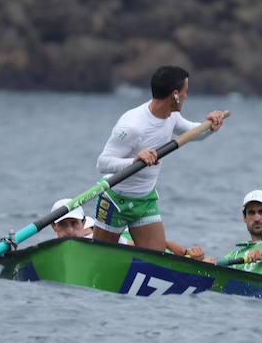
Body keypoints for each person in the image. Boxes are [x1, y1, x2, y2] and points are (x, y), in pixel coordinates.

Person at [93, 65, 226, 250]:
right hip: (117, 200)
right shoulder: (132, 126)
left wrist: (211, 125)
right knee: (100, 256)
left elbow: (195, 133)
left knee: (155, 260)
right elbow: (103, 163)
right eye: (185, 91)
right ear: (175, 95)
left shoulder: (172, 116)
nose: (187, 96)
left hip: (145, 200)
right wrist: (134, 160)